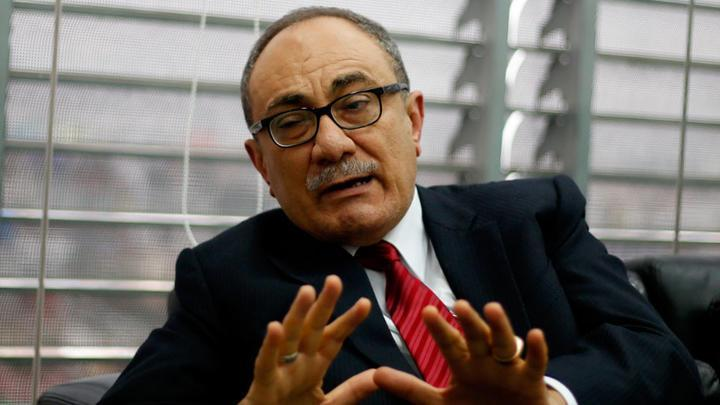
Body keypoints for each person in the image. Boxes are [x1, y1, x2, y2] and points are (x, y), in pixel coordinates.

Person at [100, 7, 702, 405]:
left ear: (413, 121)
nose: (332, 144)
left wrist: (546, 397)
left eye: (356, 103)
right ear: (262, 166)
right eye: (292, 122)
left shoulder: (534, 217)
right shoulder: (224, 280)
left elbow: (661, 360)